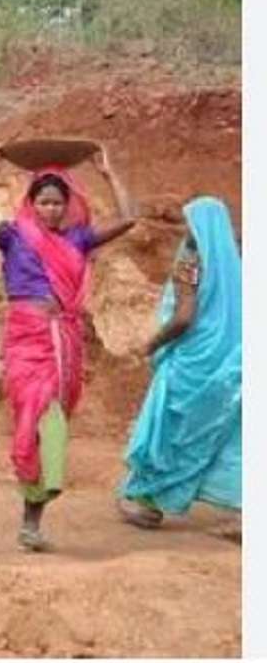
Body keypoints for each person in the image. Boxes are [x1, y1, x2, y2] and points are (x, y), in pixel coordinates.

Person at [0, 146, 136, 551]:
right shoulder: (13, 235)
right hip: (26, 340)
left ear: (68, 204)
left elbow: (129, 218)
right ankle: (31, 514)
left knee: (52, 428)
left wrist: (107, 171)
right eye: (43, 202)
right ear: (32, 203)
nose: (51, 209)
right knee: (34, 418)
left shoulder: (79, 237)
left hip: (65, 341)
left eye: (58, 202)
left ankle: (33, 520)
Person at [118, 196, 240, 528]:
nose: (186, 228)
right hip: (228, 360)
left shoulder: (190, 263)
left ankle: (147, 502)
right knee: (224, 433)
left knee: (168, 430)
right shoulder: (234, 263)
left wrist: (152, 343)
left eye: (189, 222)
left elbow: (184, 317)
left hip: (191, 361)